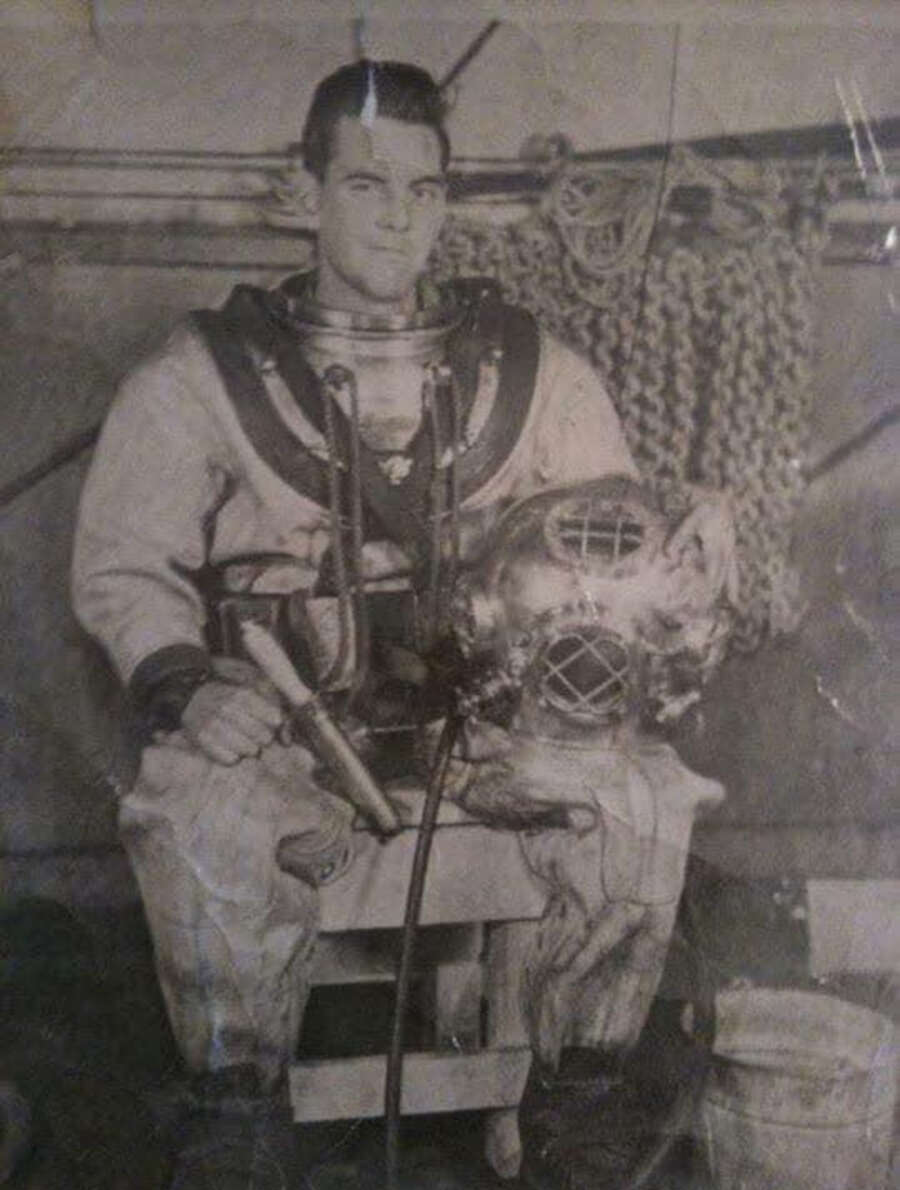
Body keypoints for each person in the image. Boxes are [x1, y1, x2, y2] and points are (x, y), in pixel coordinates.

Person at [71, 59, 699, 1133]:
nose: (400, 219)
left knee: (644, 798)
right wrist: (182, 681)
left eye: (426, 189)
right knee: (198, 811)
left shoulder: (530, 371)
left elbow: (613, 551)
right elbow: (125, 564)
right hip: (290, 735)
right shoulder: (204, 375)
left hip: (490, 732)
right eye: (366, 185)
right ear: (303, 193)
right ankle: (238, 1116)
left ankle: (574, 1100)